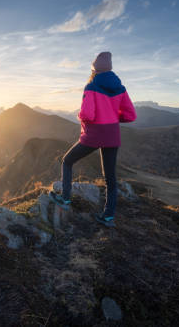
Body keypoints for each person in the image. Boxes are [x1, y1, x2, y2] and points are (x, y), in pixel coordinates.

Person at [50, 51, 136, 227]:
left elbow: (87, 114)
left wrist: (80, 115)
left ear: (94, 69)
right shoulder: (121, 88)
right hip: (112, 135)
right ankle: (108, 216)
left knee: (67, 161)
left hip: (94, 135)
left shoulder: (91, 86)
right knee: (110, 178)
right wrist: (112, 117)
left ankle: (65, 199)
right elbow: (130, 115)